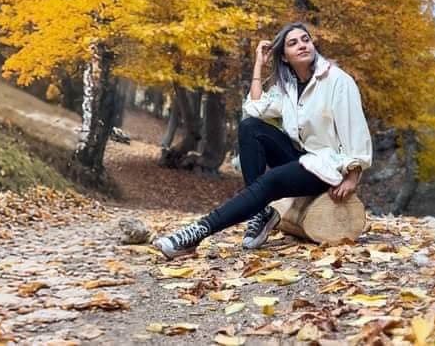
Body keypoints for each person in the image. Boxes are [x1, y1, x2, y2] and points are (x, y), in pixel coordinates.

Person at [152, 22, 373, 259]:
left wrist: (353, 176)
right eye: (293, 43)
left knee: (270, 180)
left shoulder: (337, 80)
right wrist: (259, 64)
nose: (302, 45)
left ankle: (196, 233)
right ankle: (260, 212)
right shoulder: (287, 87)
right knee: (250, 128)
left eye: (305, 39)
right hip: (305, 159)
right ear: (284, 57)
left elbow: (356, 129)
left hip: (330, 166)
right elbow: (256, 109)